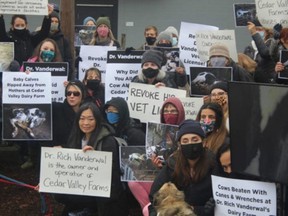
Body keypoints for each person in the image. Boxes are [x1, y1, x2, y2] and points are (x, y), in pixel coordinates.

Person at [54, 102, 129, 216]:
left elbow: (112, 177)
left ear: (98, 120)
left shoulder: (108, 142)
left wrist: (95, 159)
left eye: (90, 119)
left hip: (102, 199)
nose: (86, 123)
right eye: (82, 118)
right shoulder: (76, 138)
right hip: (79, 191)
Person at [128, 96, 185, 216]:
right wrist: (155, 164)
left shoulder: (186, 132)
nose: (169, 114)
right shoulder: (159, 134)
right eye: (166, 111)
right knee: (132, 183)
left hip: (177, 180)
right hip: (159, 175)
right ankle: (153, 210)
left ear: (180, 112)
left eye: (173, 111)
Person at [148, 119, 217, 216]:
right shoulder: (172, 165)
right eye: (185, 140)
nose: (190, 143)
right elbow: (154, 197)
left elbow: (220, 201)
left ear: (204, 142)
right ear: (180, 145)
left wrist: (205, 210)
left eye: (195, 139)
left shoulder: (214, 165)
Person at [52, 80, 86, 147]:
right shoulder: (56, 108)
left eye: (76, 94)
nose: (72, 96)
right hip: (55, 153)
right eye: (69, 93)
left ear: (82, 95)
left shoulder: (87, 111)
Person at [47, 11, 73, 80]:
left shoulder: (64, 40)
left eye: (56, 22)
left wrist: (68, 77)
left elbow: (69, 60)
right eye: (52, 21)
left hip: (59, 74)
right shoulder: (41, 37)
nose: (54, 23)